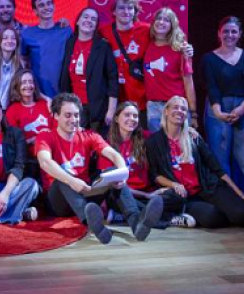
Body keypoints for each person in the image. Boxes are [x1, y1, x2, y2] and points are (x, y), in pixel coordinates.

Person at [35, 93, 163, 245]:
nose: (73, 120)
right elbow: (45, 162)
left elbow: (114, 155)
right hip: (58, 200)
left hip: (85, 192)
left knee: (113, 174)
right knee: (63, 178)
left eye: (76, 115)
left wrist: (122, 173)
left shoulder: (88, 135)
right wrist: (71, 180)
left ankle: (137, 225)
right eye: (68, 115)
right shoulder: (45, 136)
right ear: (56, 116)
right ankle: (92, 224)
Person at [146, 96, 244, 229]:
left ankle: (221, 212)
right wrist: (173, 184)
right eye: (175, 107)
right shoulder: (154, 142)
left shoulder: (193, 137)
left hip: (207, 188)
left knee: (243, 213)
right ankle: (184, 213)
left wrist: (241, 194)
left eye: (183, 109)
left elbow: (216, 168)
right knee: (212, 218)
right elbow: (154, 175)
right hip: (185, 196)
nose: (179, 111)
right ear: (166, 111)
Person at [98, 101, 193, 228]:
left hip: (148, 193)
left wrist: (187, 131)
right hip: (125, 195)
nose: (132, 119)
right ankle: (170, 219)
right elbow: (111, 184)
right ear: (116, 118)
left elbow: (170, 135)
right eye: (127, 115)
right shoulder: (107, 146)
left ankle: (121, 216)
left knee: (176, 196)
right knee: (119, 196)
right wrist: (147, 196)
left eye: (135, 116)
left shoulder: (145, 138)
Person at [201, 16, 244, 198]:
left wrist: (243, 108)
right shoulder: (209, 58)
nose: (229, 35)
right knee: (220, 161)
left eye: (233, 31)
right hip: (217, 107)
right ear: (219, 34)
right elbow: (211, 86)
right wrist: (218, 111)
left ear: (240, 34)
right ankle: (229, 204)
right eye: (225, 31)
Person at [59, 7, 118, 135]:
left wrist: (111, 110)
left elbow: (113, 78)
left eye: (93, 19)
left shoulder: (103, 46)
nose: (89, 20)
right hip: (74, 107)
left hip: (97, 109)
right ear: (78, 21)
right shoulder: (69, 43)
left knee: (95, 147)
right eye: (85, 17)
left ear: (96, 26)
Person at [144, 7, 197, 132]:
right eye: (158, 18)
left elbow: (188, 82)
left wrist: (193, 112)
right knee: (158, 149)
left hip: (176, 106)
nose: (161, 22)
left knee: (178, 149)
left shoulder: (180, 49)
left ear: (172, 25)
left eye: (166, 20)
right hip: (153, 107)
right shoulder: (147, 43)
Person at [21, 0, 72, 99]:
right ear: (35, 11)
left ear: (53, 6)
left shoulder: (66, 30)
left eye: (49, 3)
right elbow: (22, 59)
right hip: (39, 93)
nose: (46, 7)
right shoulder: (27, 33)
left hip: (64, 91)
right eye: (41, 5)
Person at [5, 69, 51, 181]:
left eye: (31, 82)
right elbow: (13, 142)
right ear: (17, 86)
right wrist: (33, 139)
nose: (28, 85)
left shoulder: (45, 104)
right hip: (28, 159)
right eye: (24, 82)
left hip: (49, 154)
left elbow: (56, 129)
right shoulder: (13, 110)